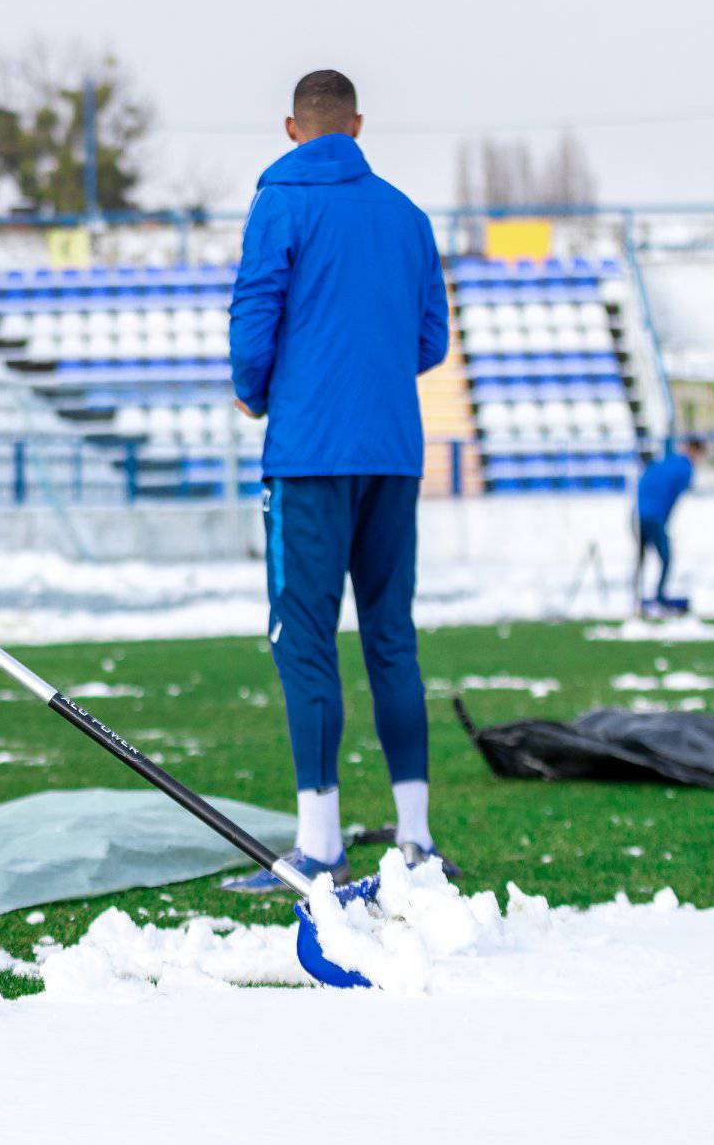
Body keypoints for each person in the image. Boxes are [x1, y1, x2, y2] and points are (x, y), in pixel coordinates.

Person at [222, 69, 451, 893]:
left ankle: (319, 844)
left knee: (303, 640)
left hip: (309, 453)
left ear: (292, 128)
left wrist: (256, 390)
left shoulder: (278, 202)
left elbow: (254, 316)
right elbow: (430, 341)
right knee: (391, 636)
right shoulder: (406, 214)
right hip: (392, 452)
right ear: (356, 125)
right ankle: (417, 839)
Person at [634, 438, 706, 611]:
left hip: (639, 512)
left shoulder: (668, 460)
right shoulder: (685, 468)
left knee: (641, 558)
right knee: (666, 558)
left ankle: (636, 598)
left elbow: (648, 478)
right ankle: (658, 597)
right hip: (654, 515)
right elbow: (672, 496)